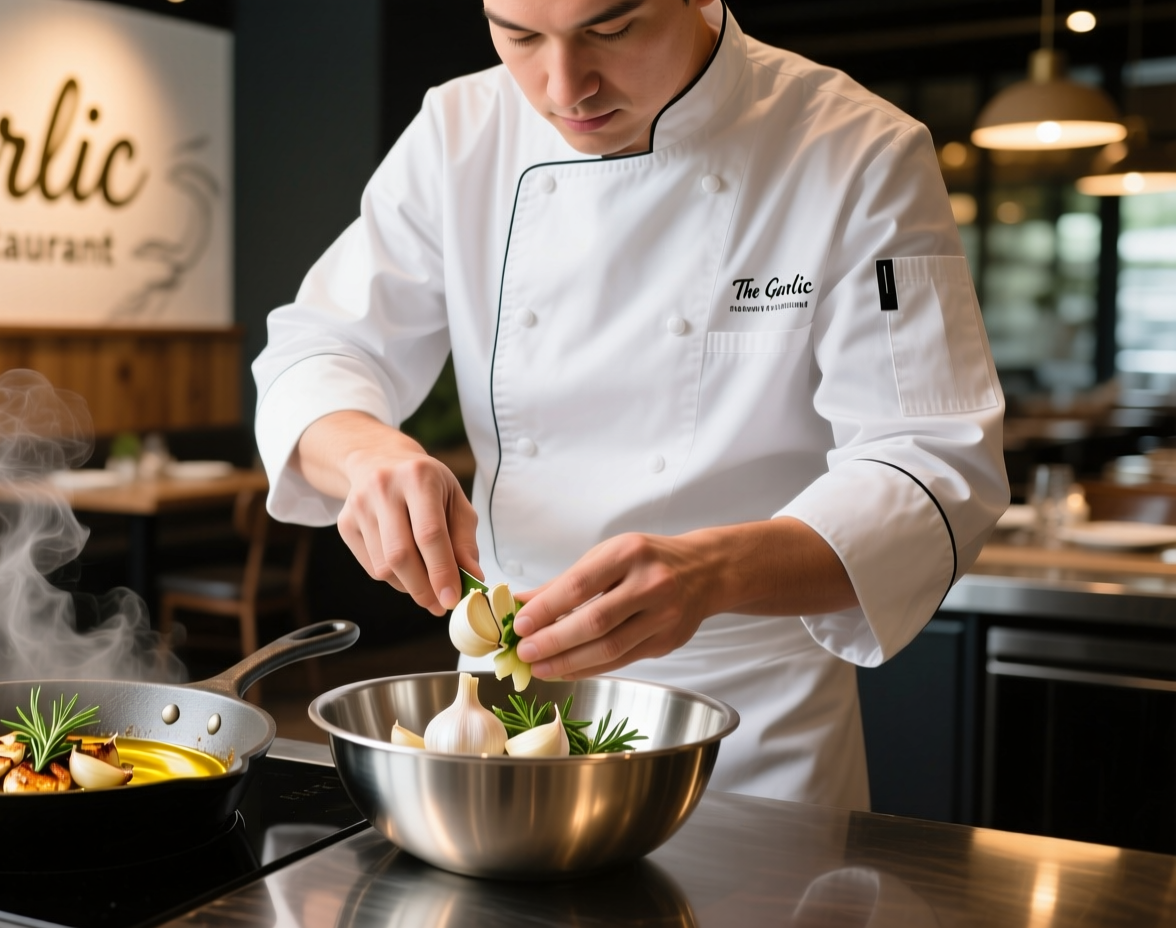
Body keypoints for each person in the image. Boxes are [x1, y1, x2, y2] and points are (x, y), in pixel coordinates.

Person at [252, 0, 1008, 809]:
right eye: (518, 35)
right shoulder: (459, 131)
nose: (564, 86)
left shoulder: (856, 149)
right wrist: (368, 453)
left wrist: (714, 573)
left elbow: (932, 458)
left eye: (610, 30)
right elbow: (318, 347)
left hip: (749, 732)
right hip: (506, 712)